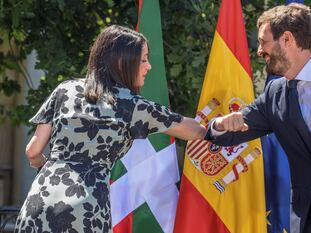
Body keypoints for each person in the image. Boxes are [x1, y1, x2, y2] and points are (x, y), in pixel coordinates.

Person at [14, 25, 207, 232]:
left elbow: (32, 151)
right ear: (122, 62)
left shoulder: (65, 90)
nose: (149, 66)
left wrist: (47, 166)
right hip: (87, 207)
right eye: (143, 60)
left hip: (40, 200)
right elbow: (194, 131)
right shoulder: (133, 106)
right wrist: (217, 124)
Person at [205, 3, 311, 233]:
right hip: (304, 219)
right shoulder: (275, 94)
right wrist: (221, 123)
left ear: (287, 39)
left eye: (263, 42)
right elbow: (231, 129)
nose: (259, 51)